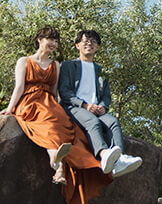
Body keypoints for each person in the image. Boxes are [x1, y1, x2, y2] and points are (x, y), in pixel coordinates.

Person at [0, 25, 112, 204]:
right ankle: (57, 165)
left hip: (48, 102)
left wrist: (58, 109)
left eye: (56, 41)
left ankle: (59, 162)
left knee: (65, 126)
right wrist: (9, 110)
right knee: (49, 125)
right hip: (29, 101)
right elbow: (18, 87)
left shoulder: (56, 65)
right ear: (39, 40)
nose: (53, 43)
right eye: (50, 39)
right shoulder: (24, 61)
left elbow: (54, 92)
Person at [58, 29, 142, 178]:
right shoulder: (68, 66)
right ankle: (104, 155)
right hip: (74, 108)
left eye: (93, 42)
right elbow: (65, 91)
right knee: (92, 122)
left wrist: (103, 107)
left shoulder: (101, 71)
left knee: (113, 122)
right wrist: (84, 105)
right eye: (85, 41)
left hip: (96, 109)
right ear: (78, 45)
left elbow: (106, 96)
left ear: (97, 47)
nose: (89, 44)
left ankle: (120, 159)